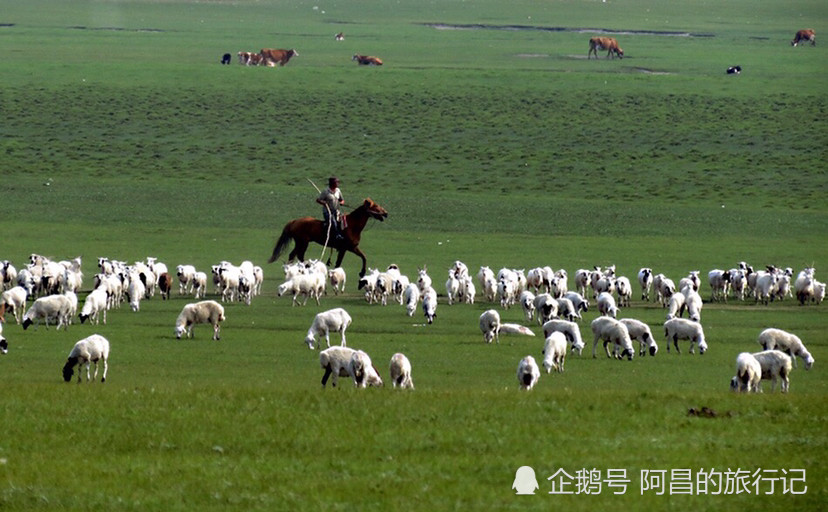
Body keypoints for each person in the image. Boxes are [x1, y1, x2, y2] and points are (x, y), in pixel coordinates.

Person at [316, 176, 345, 241]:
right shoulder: (325, 191)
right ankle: (337, 235)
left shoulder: (338, 190)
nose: (338, 183)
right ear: (332, 183)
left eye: (338, 182)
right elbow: (318, 200)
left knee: (343, 221)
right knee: (333, 222)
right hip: (328, 212)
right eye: (336, 182)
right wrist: (324, 203)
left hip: (337, 211)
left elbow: (342, 199)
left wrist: (342, 203)